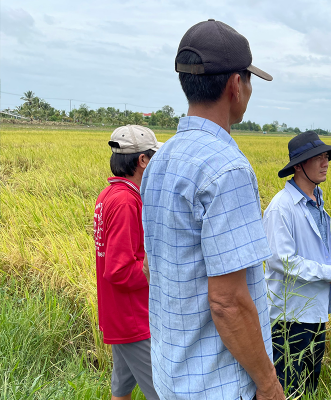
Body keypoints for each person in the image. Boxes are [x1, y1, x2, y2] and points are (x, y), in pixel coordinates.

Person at [140, 20, 284, 400]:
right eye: (249, 81)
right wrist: (268, 385)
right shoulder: (228, 169)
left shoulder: (160, 159)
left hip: (172, 373)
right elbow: (228, 302)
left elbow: (156, 263)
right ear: (235, 85)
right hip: (216, 384)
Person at [263, 131, 331, 396]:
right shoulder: (282, 207)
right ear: (299, 165)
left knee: (309, 387)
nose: (325, 163)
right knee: (289, 388)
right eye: (318, 158)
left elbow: (310, 249)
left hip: (314, 314)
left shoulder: (317, 200)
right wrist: (327, 272)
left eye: (326, 157)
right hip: (290, 317)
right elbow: (282, 260)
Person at [93, 124, 162, 400]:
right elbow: (119, 269)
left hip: (118, 315)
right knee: (163, 392)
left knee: (121, 389)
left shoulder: (108, 194)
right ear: (142, 161)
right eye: (153, 157)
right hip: (134, 320)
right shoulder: (125, 201)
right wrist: (157, 269)